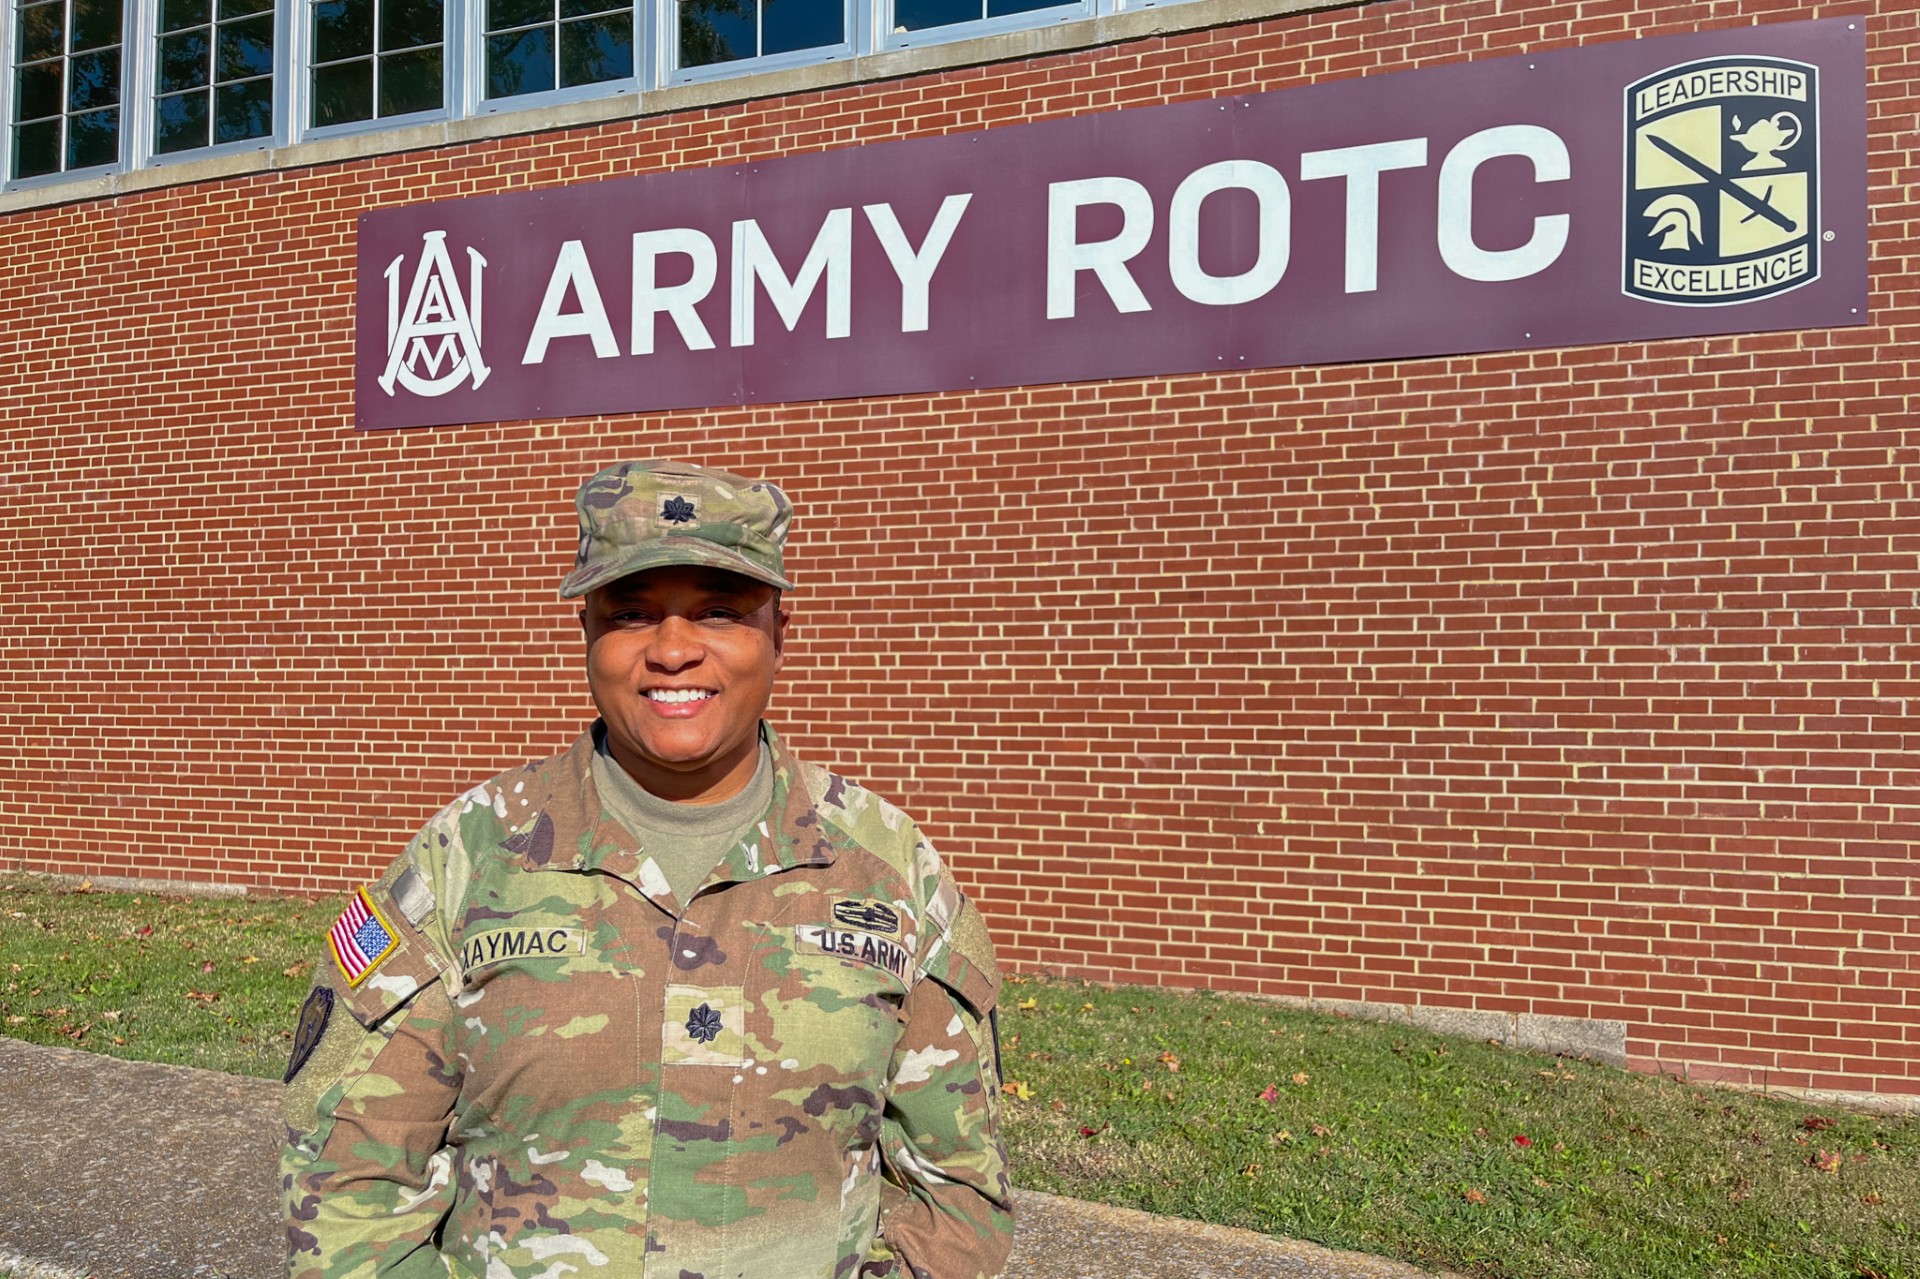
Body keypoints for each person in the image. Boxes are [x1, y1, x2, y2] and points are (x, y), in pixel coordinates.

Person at [279, 460, 1014, 1279]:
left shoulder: (889, 872)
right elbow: (345, 1173)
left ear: (779, 632)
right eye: (631, 612)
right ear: (587, 632)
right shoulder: (467, 860)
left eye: (720, 612)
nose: (672, 649)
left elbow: (959, 1192)